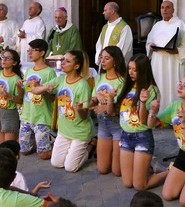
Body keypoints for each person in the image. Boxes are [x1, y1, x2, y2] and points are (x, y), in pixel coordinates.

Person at [147, 75, 185, 206]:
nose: (180, 87)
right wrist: (152, 110)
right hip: (183, 155)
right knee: (168, 195)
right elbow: (152, 124)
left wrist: (182, 123)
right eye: (180, 83)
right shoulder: (175, 106)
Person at [32, 50, 95, 172]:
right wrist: (45, 87)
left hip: (80, 132)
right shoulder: (60, 80)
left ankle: (90, 147)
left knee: (70, 168)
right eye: (63, 60)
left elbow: (83, 116)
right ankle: (74, 151)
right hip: (64, 131)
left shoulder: (82, 85)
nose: (63, 63)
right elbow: (35, 90)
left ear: (76, 66)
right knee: (56, 163)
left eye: (67, 61)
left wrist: (80, 109)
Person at [112, 53, 165, 190]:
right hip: (125, 135)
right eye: (129, 68)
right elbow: (115, 111)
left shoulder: (151, 90)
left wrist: (142, 102)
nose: (130, 73)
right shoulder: (126, 85)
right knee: (127, 183)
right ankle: (144, 167)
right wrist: (108, 99)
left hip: (142, 137)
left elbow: (143, 121)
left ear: (143, 71)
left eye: (135, 70)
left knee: (139, 186)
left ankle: (168, 172)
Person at [146, 0, 185, 112]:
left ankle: (172, 114)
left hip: (172, 61)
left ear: (173, 10)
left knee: (171, 86)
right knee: (158, 86)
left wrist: (177, 50)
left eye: (167, 7)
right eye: (162, 7)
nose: (164, 10)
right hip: (157, 61)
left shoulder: (180, 24)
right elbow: (149, 42)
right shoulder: (157, 25)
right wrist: (150, 46)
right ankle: (157, 113)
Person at [17, 39, 56, 160]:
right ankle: (40, 142)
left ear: (42, 53)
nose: (29, 53)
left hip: (42, 117)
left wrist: (41, 89)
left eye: (33, 50)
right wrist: (19, 87)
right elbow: (23, 93)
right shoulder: (28, 70)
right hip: (27, 116)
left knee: (44, 156)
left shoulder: (49, 72)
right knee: (24, 151)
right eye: (29, 50)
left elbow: (52, 98)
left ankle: (55, 142)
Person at [90, 46, 126, 176]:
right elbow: (94, 97)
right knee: (103, 169)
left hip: (117, 125)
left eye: (107, 58)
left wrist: (105, 107)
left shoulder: (122, 80)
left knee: (117, 172)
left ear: (115, 61)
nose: (102, 61)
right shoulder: (100, 77)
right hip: (103, 126)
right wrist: (96, 98)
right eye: (101, 58)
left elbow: (123, 106)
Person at [0, 49, 23, 143]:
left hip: (9, 113)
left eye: (7, 58)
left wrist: (9, 96)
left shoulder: (16, 79)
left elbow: (20, 100)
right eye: (2, 57)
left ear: (14, 63)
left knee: (8, 147)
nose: (4, 60)